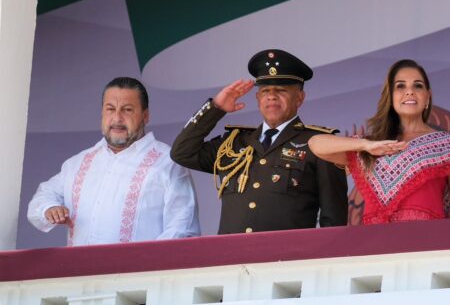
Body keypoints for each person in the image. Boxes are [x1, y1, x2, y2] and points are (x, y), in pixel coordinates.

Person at [171, 49, 348, 234]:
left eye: (281, 90)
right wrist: (215, 107)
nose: (271, 96)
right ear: (257, 98)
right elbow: (182, 152)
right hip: (231, 260)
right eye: (265, 91)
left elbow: (334, 221)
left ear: (300, 98)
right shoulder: (234, 143)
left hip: (287, 261)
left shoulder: (319, 144)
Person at [27, 77, 200, 246]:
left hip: (139, 273)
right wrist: (49, 209)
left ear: (145, 116)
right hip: (79, 273)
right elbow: (43, 196)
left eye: (127, 110)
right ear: (102, 113)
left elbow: (182, 230)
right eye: (110, 109)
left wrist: (145, 266)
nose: (117, 118)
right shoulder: (78, 164)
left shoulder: (167, 163)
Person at [309, 59, 450, 224]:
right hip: (378, 243)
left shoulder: (449, 144)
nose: (409, 92)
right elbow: (316, 144)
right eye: (400, 86)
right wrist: (366, 145)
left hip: (427, 241)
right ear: (390, 97)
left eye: (417, 85)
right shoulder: (373, 144)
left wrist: (445, 244)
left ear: (428, 97)